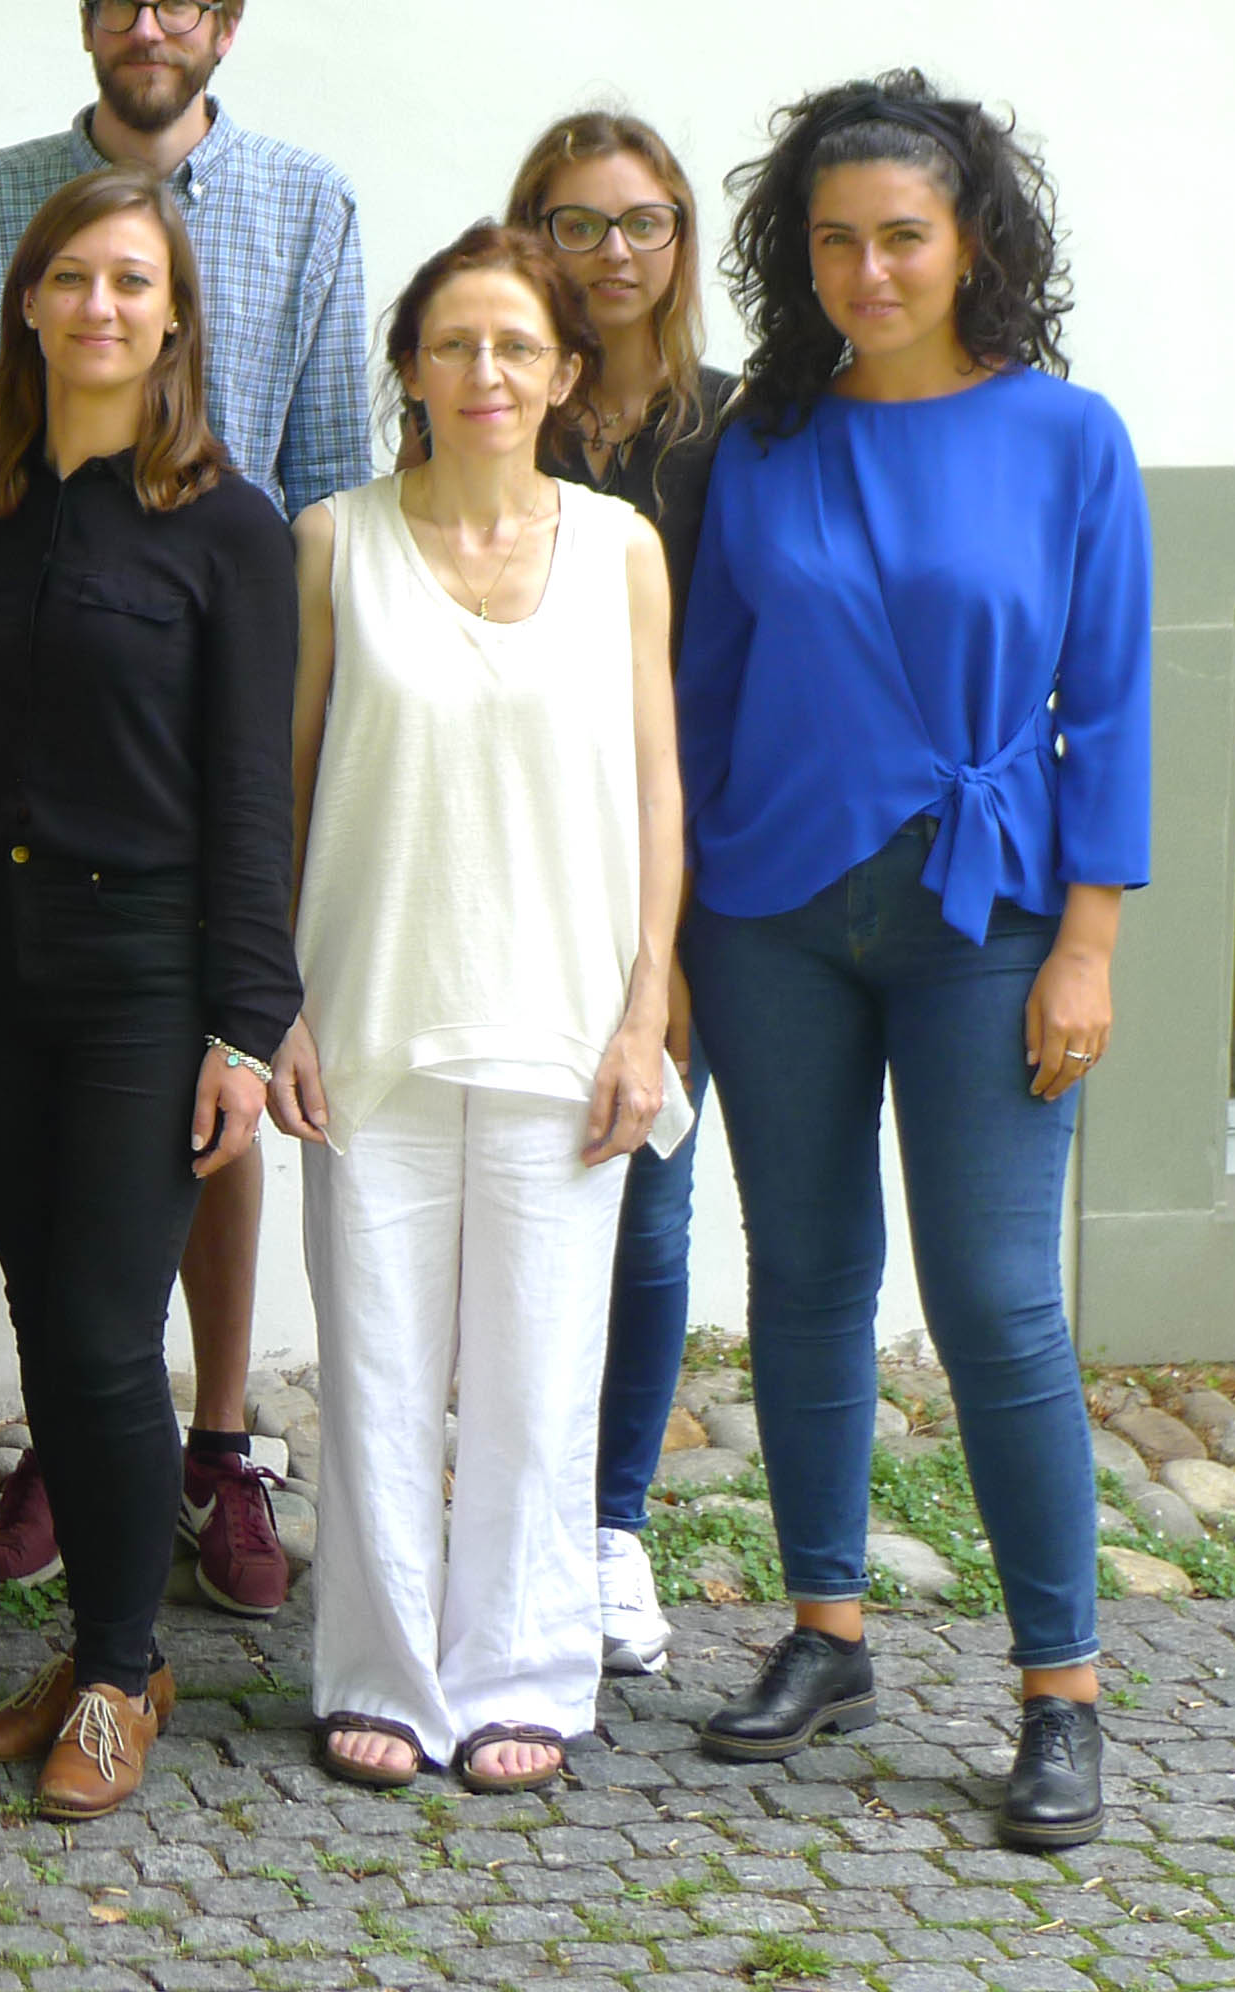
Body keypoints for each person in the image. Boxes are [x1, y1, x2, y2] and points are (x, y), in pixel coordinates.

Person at [678, 73, 1147, 1851]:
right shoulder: (761, 447)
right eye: (832, 240)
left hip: (990, 923)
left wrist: (1087, 942)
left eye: (902, 236)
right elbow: (703, 701)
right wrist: (681, 933)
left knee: (999, 1306)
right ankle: (827, 1631)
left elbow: (1106, 705)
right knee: (803, 1277)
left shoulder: (1067, 438)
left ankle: (1061, 1691)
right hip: (774, 914)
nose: (867, 269)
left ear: (972, 245)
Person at [0, 0, 368, 1611]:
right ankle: (90, 1487)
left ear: (225, 25)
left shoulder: (307, 209)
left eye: (182, 4)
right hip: (26, 840)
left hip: (193, 782)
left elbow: (323, 494)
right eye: (119, 1)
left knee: (180, 1169)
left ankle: (212, 1454)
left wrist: (258, 991)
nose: (149, 27)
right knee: (73, 1308)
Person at [272, 222, 683, 1797]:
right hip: (370, 1019)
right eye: (455, 344)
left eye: (517, 345)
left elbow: (658, 788)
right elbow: (290, 789)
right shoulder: (334, 543)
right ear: (412, 372)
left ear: (566, 372)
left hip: (568, 1026)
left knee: (536, 1370)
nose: (486, 371)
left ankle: (522, 1667)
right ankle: (379, 1669)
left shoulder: (622, 549)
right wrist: (286, 1003)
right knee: (374, 1365)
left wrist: (647, 1004)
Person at [0, 168, 303, 1818]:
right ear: (25, 304)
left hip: (147, 974)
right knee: (43, 1322)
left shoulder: (231, 527)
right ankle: (91, 1658)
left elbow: (250, 798)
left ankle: (127, 1672)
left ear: (173, 319)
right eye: (68, 277)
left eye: (130, 283)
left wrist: (245, 1021)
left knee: (97, 1332)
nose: (96, 306)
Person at [494, 112, 736, 1680]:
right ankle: (507, 1520)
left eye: (640, 222)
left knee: (646, 1205)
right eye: (576, 226)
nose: (612, 256)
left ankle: (609, 1525)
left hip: (683, 866)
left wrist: (687, 936)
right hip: (520, 860)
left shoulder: (740, 428)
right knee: (513, 1199)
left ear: (680, 239)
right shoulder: (496, 405)